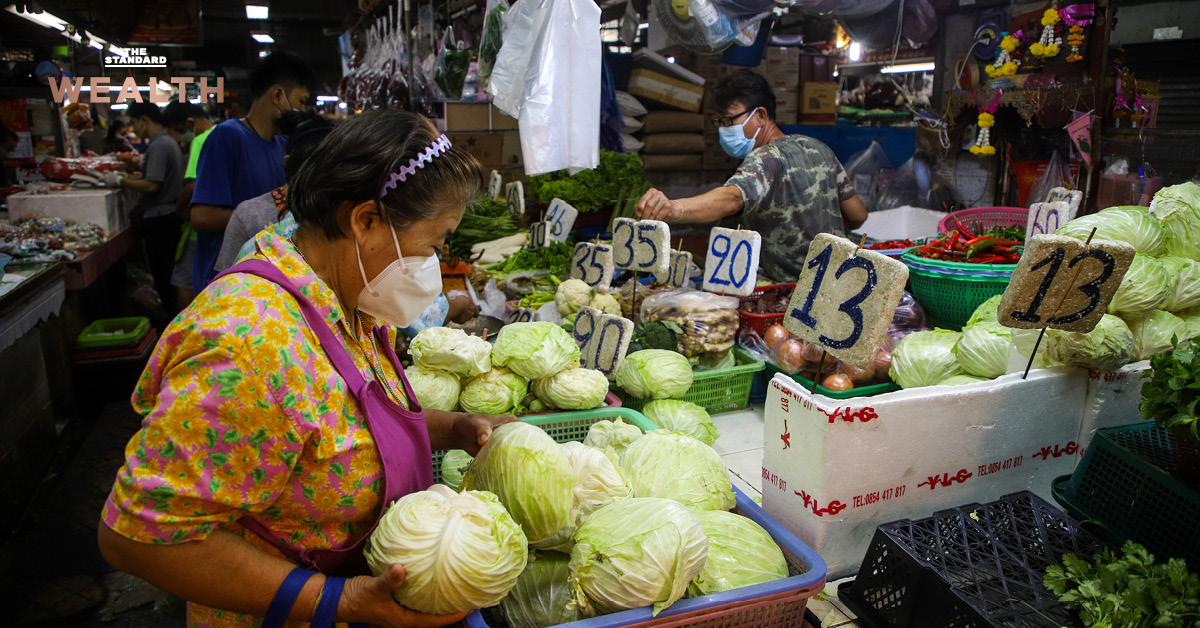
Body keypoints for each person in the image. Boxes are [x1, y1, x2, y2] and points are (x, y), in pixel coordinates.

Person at [98, 110, 513, 628]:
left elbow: (343, 425)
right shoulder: (250, 344)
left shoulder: (345, 305)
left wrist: (453, 427)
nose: (434, 260)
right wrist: (338, 601)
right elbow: (138, 537)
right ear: (363, 221)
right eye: (432, 243)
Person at [636, 69, 869, 283]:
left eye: (729, 120)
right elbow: (858, 214)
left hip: (788, 292)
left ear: (760, 115)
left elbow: (732, 198)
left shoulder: (765, 158)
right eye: (718, 122)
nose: (723, 129)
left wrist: (673, 208)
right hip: (834, 284)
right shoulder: (820, 149)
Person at [189, 51, 315, 292]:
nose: (302, 110)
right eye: (300, 102)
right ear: (278, 95)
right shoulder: (227, 137)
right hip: (229, 281)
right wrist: (269, 221)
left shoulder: (283, 147)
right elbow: (201, 216)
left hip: (270, 280)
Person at [213, 110, 333, 272]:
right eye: (314, 170)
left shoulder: (341, 214)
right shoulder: (250, 216)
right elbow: (228, 283)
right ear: (289, 163)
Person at [101, 102, 185, 313]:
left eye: (134, 123)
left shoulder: (158, 145)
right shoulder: (168, 141)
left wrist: (121, 180)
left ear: (144, 120)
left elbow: (152, 184)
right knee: (169, 275)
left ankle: (171, 326)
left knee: (164, 277)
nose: (132, 128)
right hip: (169, 217)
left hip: (160, 219)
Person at [167, 102, 216, 310]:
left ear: (189, 123)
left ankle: (184, 331)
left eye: (180, 131)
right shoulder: (225, 134)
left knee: (183, 280)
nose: (181, 137)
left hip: (199, 228)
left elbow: (191, 186)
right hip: (218, 224)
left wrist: (178, 210)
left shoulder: (200, 140)